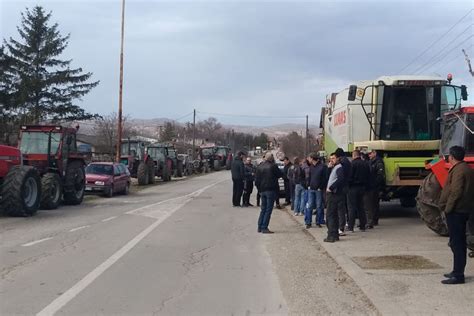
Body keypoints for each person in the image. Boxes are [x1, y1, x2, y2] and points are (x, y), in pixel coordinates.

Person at [439, 146, 474, 285]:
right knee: (458, 242)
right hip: (463, 209)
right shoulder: (465, 168)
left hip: (457, 211)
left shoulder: (459, 170)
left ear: (452, 157)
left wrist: (448, 209)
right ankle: (456, 270)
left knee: (457, 243)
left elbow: (456, 191)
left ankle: (458, 275)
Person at [255, 152, 283, 233]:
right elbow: (280, 174)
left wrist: (259, 190)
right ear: (271, 158)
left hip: (262, 190)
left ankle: (260, 226)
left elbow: (257, 180)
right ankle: (264, 227)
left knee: (263, 209)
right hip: (271, 189)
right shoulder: (273, 166)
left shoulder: (259, 166)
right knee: (268, 210)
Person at [324, 153, 346, 242]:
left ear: (338, 159)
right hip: (333, 194)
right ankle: (335, 234)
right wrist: (329, 169)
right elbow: (328, 178)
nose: (331, 160)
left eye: (333, 158)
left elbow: (341, 179)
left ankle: (331, 235)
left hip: (334, 194)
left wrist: (332, 187)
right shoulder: (334, 168)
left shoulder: (339, 168)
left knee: (330, 215)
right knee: (333, 215)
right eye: (330, 158)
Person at [347, 150, 370, 232]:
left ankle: (351, 226)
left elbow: (350, 177)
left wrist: (348, 186)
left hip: (353, 188)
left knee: (352, 208)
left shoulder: (352, 164)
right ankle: (362, 225)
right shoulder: (365, 164)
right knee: (361, 207)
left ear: (354, 155)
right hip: (362, 188)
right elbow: (368, 176)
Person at [305, 153, 328, 228]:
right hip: (311, 188)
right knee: (310, 205)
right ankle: (308, 222)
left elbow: (325, 178)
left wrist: (321, 187)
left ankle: (318, 221)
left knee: (319, 206)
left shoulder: (322, 167)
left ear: (312, 158)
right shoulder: (311, 167)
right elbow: (310, 177)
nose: (308, 160)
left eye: (309, 158)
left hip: (318, 189)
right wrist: (308, 185)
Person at [334, 148, 351, 235]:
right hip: (347, 185)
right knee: (346, 206)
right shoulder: (347, 161)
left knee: (342, 206)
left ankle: (343, 225)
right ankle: (348, 222)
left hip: (343, 187)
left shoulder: (342, 163)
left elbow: (341, 176)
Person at [367, 149, 385, 228]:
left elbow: (380, 175)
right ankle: (373, 220)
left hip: (375, 187)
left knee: (374, 204)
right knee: (372, 203)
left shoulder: (378, 162)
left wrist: (374, 184)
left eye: (370, 154)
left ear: (375, 153)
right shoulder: (371, 161)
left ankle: (374, 220)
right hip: (373, 186)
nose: (369, 155)